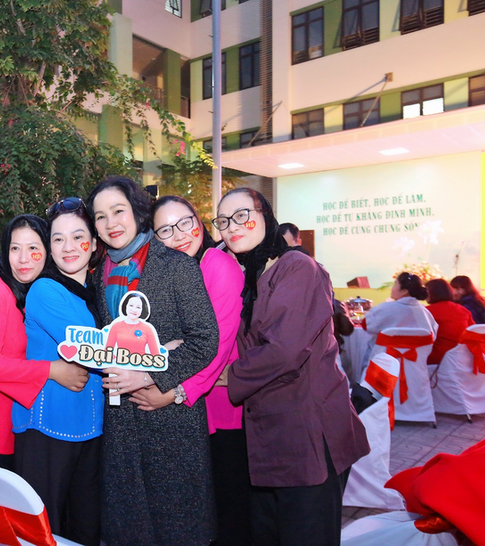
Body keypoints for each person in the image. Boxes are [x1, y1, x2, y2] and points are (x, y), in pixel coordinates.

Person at [215, 188, 369, 546]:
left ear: (265, 214)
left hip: (308, 434)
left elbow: (284, 349)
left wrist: (230, 375)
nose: (231, 227)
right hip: (270, 438)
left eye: (241, 215)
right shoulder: (250, 275)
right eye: (223, 221)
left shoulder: (298, 267)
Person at [87, 176, 219, 546]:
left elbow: (205, 340)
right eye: (100, 217)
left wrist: (149, 371)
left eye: (118, 211)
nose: (110, 222)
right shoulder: (102, 275)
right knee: (129, 525)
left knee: (177, 525)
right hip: (120, 419)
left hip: (171, 421)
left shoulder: (175, 265)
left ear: (136, 212)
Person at [133, 195, 249, 546]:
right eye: (166, 230)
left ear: (199, 223)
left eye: (186, 222)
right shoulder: (177, 272)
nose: (180, 234)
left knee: (228, 514)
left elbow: (215, 346)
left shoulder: (217, 265)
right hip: (195, 408)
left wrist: (173, 392)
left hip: (218, 405)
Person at [0, 214, 90, 470]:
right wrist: (53, 370)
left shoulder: (33, 292)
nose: (23, 259)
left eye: (33, 248)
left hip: (14, 425)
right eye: (15, 248)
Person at [12, 198, 104, 546]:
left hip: (91, 427)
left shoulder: (96, 291)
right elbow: (92, 347)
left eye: (78, 236)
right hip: (47, 427)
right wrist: (154, 355)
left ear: (94, 243)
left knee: (85, 527)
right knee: (43, 530)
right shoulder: (45, 289)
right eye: (58, 239)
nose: (68, 247)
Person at [364, 272, 438, 352]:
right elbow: (432, 336)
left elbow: (365, 325)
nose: (392, 288)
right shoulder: (425, 312)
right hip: (416, 363)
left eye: (395, 284)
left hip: (383, 361)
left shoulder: (385, 308)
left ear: (404, 291)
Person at [425, 278, 474, 364]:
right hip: (463, 357)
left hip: (437, 358)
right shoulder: (463, 310)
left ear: (432, 293)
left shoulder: (427, 311)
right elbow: (473, 331)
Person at [104, 292, 160, 357]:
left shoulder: (148, 328)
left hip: (141, 365)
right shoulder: (116, 326)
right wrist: (117, 362)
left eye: (138, 307)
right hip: (119, 365)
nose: (134, 310)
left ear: (142, 310)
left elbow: (156, 356)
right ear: (126, 306)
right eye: (131, 305)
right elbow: (107, 351)